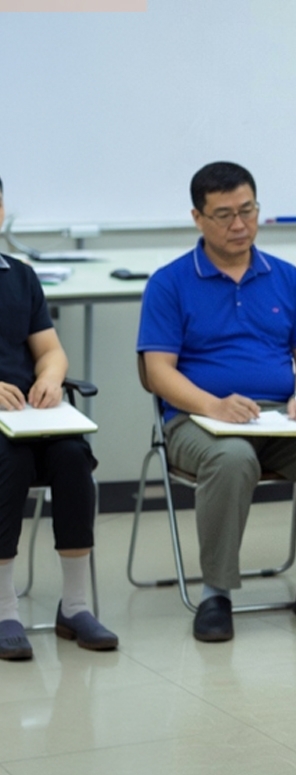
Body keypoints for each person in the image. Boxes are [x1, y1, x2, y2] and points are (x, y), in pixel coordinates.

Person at [137, 161, 296, 644]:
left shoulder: (285, 277)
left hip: (276, 418)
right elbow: (157, 371)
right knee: (232, 458)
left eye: (248, 210)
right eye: (224, 215)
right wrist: (212, 406)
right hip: (196, 421)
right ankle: (215, 594)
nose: (239, 225)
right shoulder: (170, 282)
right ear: (198, 218)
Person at [0, 176, 118, 661]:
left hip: (26, 414)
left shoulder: (19, 275)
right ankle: (4, 609)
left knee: (72, 457)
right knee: (9, 463)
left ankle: (75, 606)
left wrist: (50, 377)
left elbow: (49, 349)